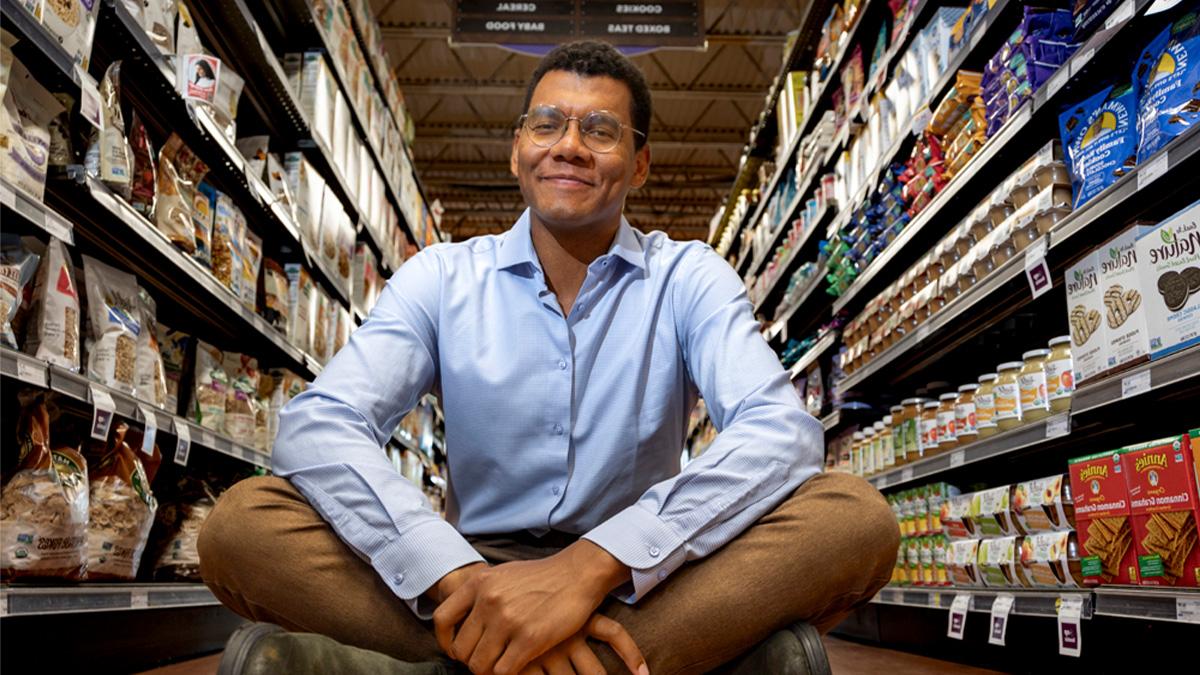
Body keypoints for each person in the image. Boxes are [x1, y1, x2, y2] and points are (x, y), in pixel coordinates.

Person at [198, 40, 897, 675]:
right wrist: (458, 578)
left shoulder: (687, 276)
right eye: (546, 124)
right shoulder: (441, 277)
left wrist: (594, 564)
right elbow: (321, 425)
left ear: (640, 163)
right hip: (469, 573)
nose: (569, 145)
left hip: (635, 577)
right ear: (516, 150)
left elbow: (778, 430)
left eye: (599, 130)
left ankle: (441, 665)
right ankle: (601, 659)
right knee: (242, 525)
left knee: (853, 518)